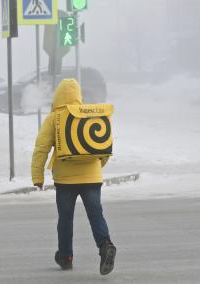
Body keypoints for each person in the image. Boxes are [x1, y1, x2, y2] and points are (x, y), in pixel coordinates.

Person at [31, 78, 116, 275]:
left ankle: (66, 256)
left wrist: (38, 176)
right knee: (96, 215)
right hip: (92, 178)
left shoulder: (55, 117)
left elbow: (41, 149)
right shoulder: (90, 115)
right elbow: (104, 147)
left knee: (65, 219)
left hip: (65, 180)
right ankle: (105, 245)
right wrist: (96, 167)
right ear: (79, 96)